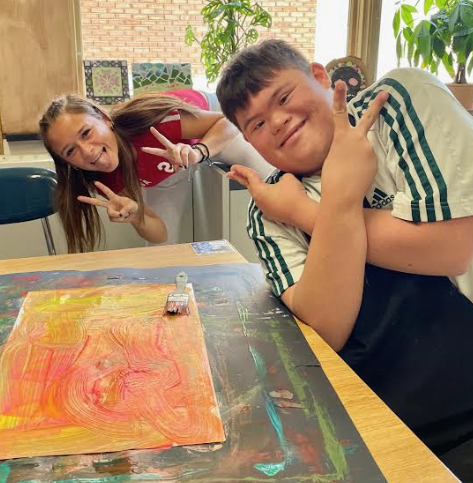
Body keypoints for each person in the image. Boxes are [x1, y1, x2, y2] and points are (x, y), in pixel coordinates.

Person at [216, 39, 473, 480]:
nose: (277, 122)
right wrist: (336, 199)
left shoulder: (397, 100)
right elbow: (326, 330)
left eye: (283, 97)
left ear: (320, 77)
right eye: (256, 123)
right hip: (383, 424)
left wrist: (308, 212)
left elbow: (453, 248)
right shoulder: (270, 207)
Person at [39, 89, 273, 253]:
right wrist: (136, 216)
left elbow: (230, 122)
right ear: (66, 162)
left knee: (270, 175)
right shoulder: (98, 177)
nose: (87, 152)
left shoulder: (153, 123)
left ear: (103, 118)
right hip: (167, 160)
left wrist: (200, 151)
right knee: (161, 247)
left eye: (86, 133)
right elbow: (160, 234)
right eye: (70, 151)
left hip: (209, 121)